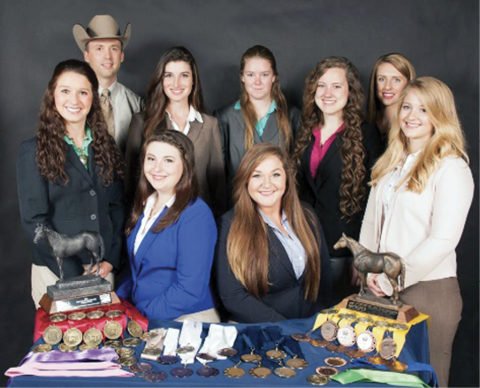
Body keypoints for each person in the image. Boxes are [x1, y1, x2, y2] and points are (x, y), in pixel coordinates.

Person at [360, 77, 474, 388]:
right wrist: (368, 269)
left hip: (429, 291)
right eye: (407, 107)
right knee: (381, 379)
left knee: (425, 380)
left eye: (423, 109)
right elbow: (371, 223)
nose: (411, 116)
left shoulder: (452, 167)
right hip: (381, 289)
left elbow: (442, 240)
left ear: (440, 115)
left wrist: (389, 279)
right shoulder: (391, 163)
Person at [17, 59, 125, 307]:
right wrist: (77, 273)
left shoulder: (107, 147)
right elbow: (34, 222)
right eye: (65, 90)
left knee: (105, 345)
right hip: (56, 272)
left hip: (102, 269)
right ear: (52, 94)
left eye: (83, 92)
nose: (74, 100)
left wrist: (111, 259)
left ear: (92, 99)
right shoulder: (33, 151)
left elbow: (118, 208)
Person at [293, 56, 382, 304]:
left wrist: (361, 256)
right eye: (321, 85)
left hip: (344, 255)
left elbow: (374, 201)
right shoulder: (304, 132)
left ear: (350, 91)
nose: (327, 93)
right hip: (306, 250)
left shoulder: (366, 135)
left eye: (337, 86)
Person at [215, 143, 332, 323]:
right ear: (246, 180)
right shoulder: (229, 224)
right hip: (261, 331)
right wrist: (285, 328)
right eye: (257, 176)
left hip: (310, 327)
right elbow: (233, 297)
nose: (266, 184)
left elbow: (324, 278)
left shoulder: (307, 215)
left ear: (286, 178)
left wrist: (318, 324)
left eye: (275, 174)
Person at [116, 131, 219, 322]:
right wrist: (117, 302)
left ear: (185, 166)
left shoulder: (196, 214)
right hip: (144, 315)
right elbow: (136, 270)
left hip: (185, 317)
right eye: (151, 158)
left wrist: (139, 316)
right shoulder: (143, 205)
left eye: (168, 160)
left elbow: (189, 290)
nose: (157, 168)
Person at [124, 47, 226, 217]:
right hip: (154, 221)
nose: (176, 83)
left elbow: (218, 189)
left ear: (193, 80)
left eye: (184, 75)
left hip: (198, 221)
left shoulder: (210, 125)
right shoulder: (142, 123)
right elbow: (130, 184)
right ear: (161, 80)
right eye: (169, 75)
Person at [215, 45, 301, 203]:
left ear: (274, 76)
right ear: (242, 77)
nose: (257, 82)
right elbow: (220, 178)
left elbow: (298, 173)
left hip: (279, 207)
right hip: (238, 209)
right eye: (250, 74)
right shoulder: (224, 118)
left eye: (264, 74)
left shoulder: (292, 116)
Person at [73, 14, 143, 155]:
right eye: (99, 48)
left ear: (121, 56)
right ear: (86, 56)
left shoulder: (137, 104)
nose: (107, 56)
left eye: (114, 49)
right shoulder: (72, 102)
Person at [366, 53, 415, 140]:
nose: (387, 86)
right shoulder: (367, 125)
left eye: (396, 80)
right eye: (382, 79)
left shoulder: (411, 126)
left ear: (408, 83)